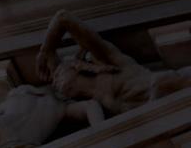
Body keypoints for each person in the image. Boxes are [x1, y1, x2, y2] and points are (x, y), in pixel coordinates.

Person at [37, 9, 189, 116]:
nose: (55, 81)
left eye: (58, 74)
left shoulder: (108, 61)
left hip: (177, 85)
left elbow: (63, 17)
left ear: (76, 66)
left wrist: (47, 50)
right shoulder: (96, 104)